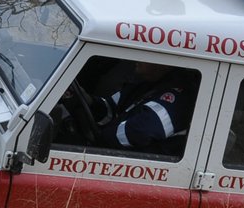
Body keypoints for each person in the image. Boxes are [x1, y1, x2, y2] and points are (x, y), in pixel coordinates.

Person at [56, 60, 198, 156]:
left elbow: (141, 131)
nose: (137, 58)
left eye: (147, 53)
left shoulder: (178, 97)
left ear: (164, 64)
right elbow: (111, 107)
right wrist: (89, 102)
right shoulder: (144, 84)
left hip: (144, 169)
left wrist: (101, 138)